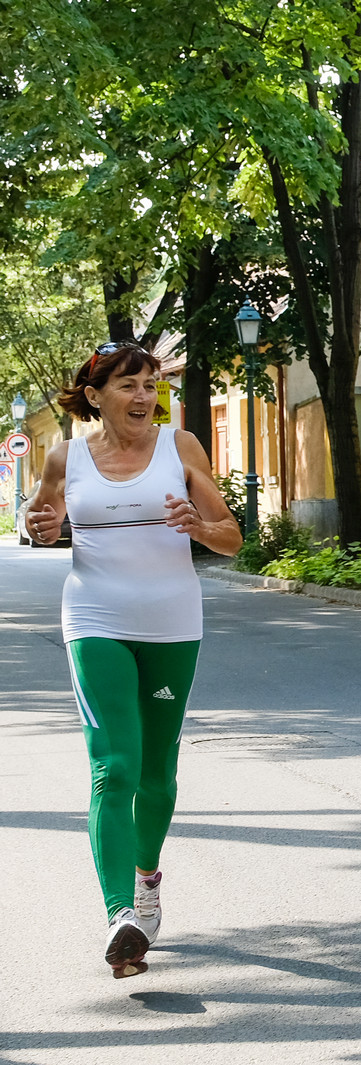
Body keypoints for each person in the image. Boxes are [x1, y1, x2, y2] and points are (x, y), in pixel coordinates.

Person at [23, 342, 242, 977]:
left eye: (150, 385)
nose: (144, 396)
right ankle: (121, 913)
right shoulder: (65, 457)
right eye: (129, 385)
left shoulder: (182, 448)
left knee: (157, 771)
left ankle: (147, 879)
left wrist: (199, 527)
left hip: (172, 622)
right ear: (96, 397)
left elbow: (231, 537)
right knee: (114, 767)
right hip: (95, 619)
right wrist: (41, 527)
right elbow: (43, 520)